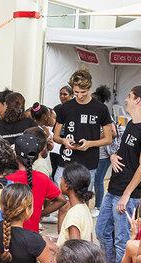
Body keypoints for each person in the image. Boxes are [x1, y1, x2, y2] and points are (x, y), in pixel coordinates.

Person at [96, 85, 141, 263]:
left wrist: (127, 194)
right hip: (114, 187)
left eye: (130, 96)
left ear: (138, 101)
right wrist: (113, 156)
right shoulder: (131, 124)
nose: (127, 99)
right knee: (101, 230)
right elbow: (125, 154)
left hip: (127, 195)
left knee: (123, 238)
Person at [53, 69, 112, 235]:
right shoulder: (66, 108)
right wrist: (64, 140)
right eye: (76, 92)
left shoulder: (100, 109)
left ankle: (79, 241)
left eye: (83, 92)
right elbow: (56, 136)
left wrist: (90, 144)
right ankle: (62, 241)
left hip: (88, 164)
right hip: (66, 161)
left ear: (90, 89)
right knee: (62, 203)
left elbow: (108, 138)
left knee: (81, 205)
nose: (79, 95)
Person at [6, 134, 66, 234]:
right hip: (33, 234)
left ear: (15, 155)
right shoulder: (42, 178)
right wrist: (40, 214)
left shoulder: (8, 179)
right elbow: (62, 200)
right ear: (37, 154)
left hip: (11, 234)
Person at [56, 163, 94, 246]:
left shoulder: (73, 215)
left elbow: (75, 250)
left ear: (66, 185)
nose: (60, 180)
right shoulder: (84, 208)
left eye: (62, 178)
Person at [92, 85, 116, 218]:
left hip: (104, 153)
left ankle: (98, 206)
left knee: (98, 179)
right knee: (94, 178)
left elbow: (113, 132)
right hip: (95, 152)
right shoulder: (93, 113)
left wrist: (94, 137)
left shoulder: (104, 114)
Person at [51, 86, 74, 181]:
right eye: (60, 94)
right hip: (57, 143)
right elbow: (54, 126)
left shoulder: (75, 109)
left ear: (72, 95)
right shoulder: (57, 108)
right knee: (55, 170)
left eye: (65, 94)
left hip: (70, 144)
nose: (62, 96)